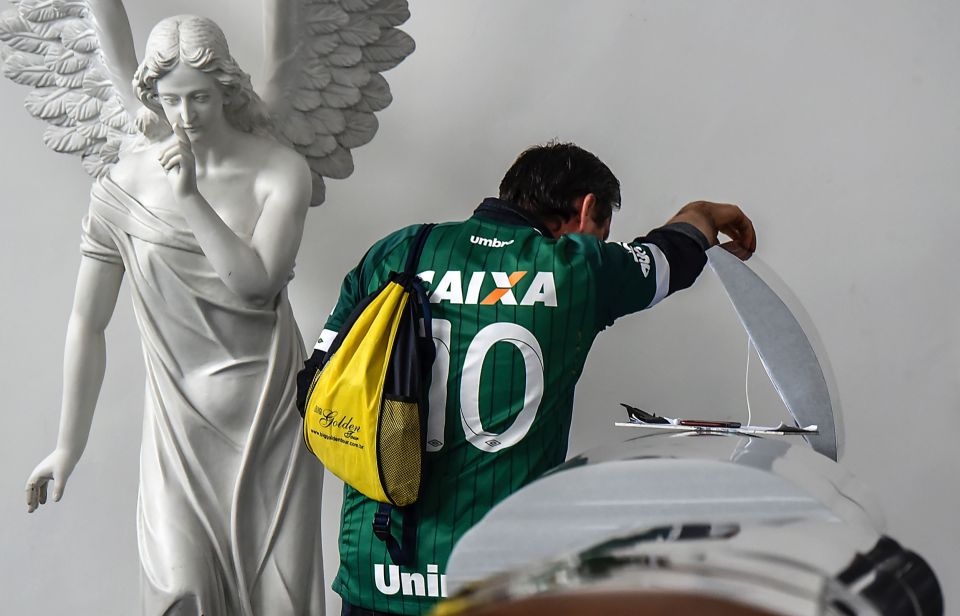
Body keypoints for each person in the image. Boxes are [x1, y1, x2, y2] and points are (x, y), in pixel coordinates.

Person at [298, 141, 756, 616]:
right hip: (500, 584)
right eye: (602, 230)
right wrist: (703, 212)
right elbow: (672, 254)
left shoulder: (397, 251)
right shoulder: (580, 270)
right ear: (586, 210)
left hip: (378, 569)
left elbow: (314, 386)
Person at [24, 16, 325, 615]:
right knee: (177, 597)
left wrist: (189, 197)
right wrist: (68, 444)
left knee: (279, 605)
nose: (185, 116)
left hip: (269, 421)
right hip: (178, 426)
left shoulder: (279, 170)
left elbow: (256, 285)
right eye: (170, 100)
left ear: (229, 90)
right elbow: (88, 322)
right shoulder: (124, 184)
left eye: (200, 98)